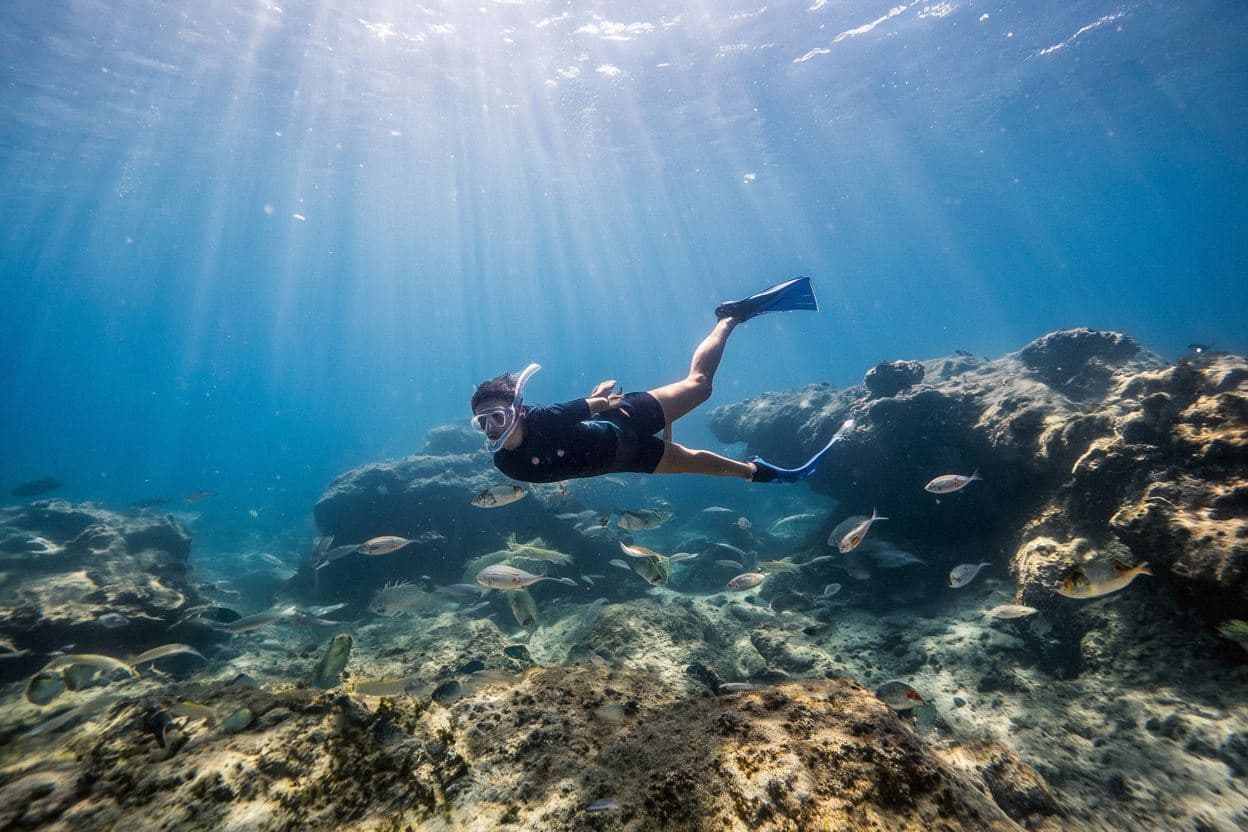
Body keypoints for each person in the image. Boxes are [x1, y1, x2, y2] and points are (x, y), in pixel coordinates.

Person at [469, 277, 852, 484]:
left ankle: (730, 317)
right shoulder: (507, 465)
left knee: (700, 386)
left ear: (518, 411)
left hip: (623, 418)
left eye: (496, 417)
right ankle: (763, 473)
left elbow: (586, 410)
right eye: (482, 423)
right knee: (695, 463)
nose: (490, 429)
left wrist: (599, 402)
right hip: (626, 459)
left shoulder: (545, 417)